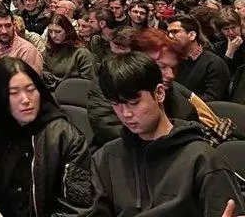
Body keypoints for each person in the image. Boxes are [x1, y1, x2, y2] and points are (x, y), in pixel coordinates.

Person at [91, 52, 243, 216]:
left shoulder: (203, 161)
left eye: (134, 103)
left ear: (159, 93)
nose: (125, 113)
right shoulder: (105, 158)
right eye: (116, 104)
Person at [0, 56, 92, 217]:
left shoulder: (65, 138)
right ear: (0, 98)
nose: (26, 100)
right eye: (14, 93)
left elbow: (78, 208)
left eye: (31, 89)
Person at [166, 14, 230, 101]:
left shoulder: (214, 63)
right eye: (168, 32)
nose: (169, 36)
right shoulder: (170, 61)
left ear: (192, 35)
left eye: (174, 32)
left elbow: (212, 100)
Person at [0, 4, 43, 74]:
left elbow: (32, 82)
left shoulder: (26, 51)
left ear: (14, 25)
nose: (4, 31)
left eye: (8, 26)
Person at [43, 14, 96, 81]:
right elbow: (43, 70)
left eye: (58, 31)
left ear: (67, 31)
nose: (53, 35)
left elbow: (88, 81)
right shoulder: (49, 50)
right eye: (50, 32)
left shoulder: (81, 53)